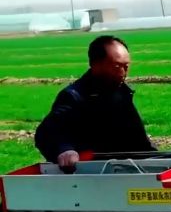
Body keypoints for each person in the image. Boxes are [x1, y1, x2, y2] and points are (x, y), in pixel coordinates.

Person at [34, 35, 157, 170]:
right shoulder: (74, 96)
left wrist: (158, 160)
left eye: (126, 67)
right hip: (89, 173)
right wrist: (65, 150)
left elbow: (139, 141)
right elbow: (47, 133)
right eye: (117, 66)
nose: (123, 73)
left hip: (122, 171)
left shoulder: (122, 94)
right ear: (95, 65)